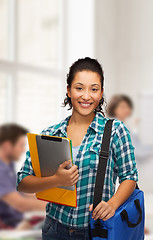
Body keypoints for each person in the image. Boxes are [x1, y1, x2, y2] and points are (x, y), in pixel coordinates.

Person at [16, 57, 138, 240]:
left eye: (94, 89)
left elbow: (130, 176)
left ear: (101, 92)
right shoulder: (51, 133)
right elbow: (22, 181)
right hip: (54, 229)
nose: (86, 96)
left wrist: (112, 204)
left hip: (96, 230)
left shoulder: (115, 131)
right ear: (68, 90)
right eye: (79, 88)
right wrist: (56, 179)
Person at [0, 123, 46, 229]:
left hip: (20, 221)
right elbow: (21, 204)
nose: (23, 150)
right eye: (21, 145)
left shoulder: (8, 166)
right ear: (7, 146)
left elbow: (22, 193)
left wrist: (51, 198)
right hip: (9, 227)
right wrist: (55, 207)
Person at [107, 94, 153, 161]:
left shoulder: (118, 124)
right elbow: (136, 150)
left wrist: (136, 127)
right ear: (114, 109)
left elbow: (133, 140)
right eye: (123, 107)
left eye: (128, 107)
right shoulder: (117, 126)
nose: (126, 110)